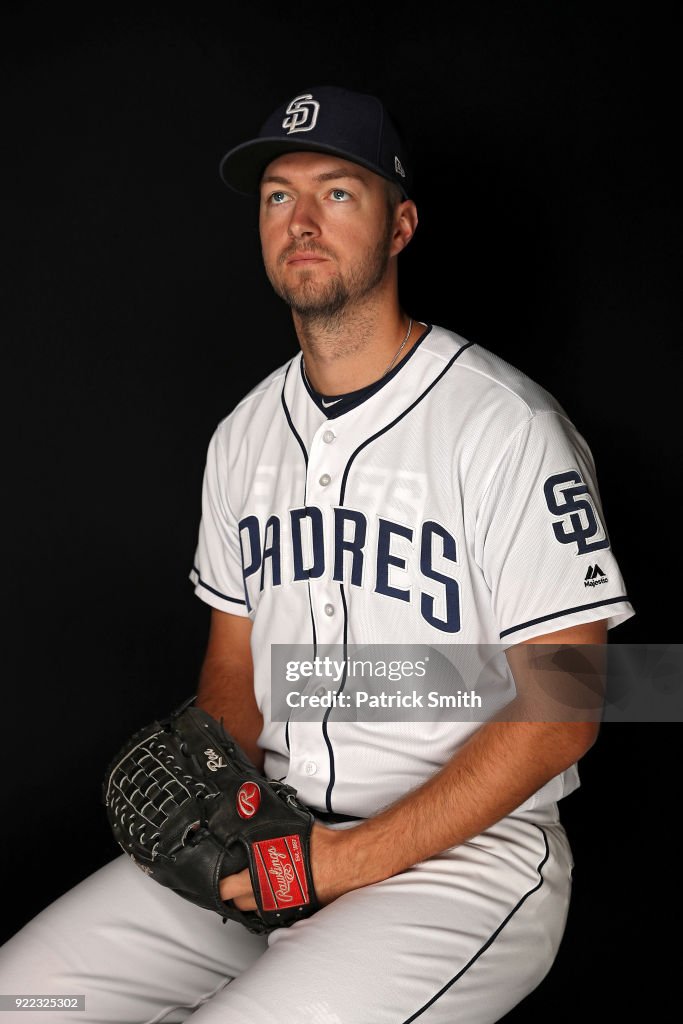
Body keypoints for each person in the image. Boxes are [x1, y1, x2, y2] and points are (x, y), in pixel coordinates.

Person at [0, 85, 633, 1023]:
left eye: (338, 192)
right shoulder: (242, 437)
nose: (301, 220)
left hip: (460, 865)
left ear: (400, 224)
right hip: (280, 838)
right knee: (24, 999)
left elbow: (567, 706)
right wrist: (222, 808)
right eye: (276, 196)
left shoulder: (505, 426)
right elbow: (235, 667)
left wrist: (344, 863)